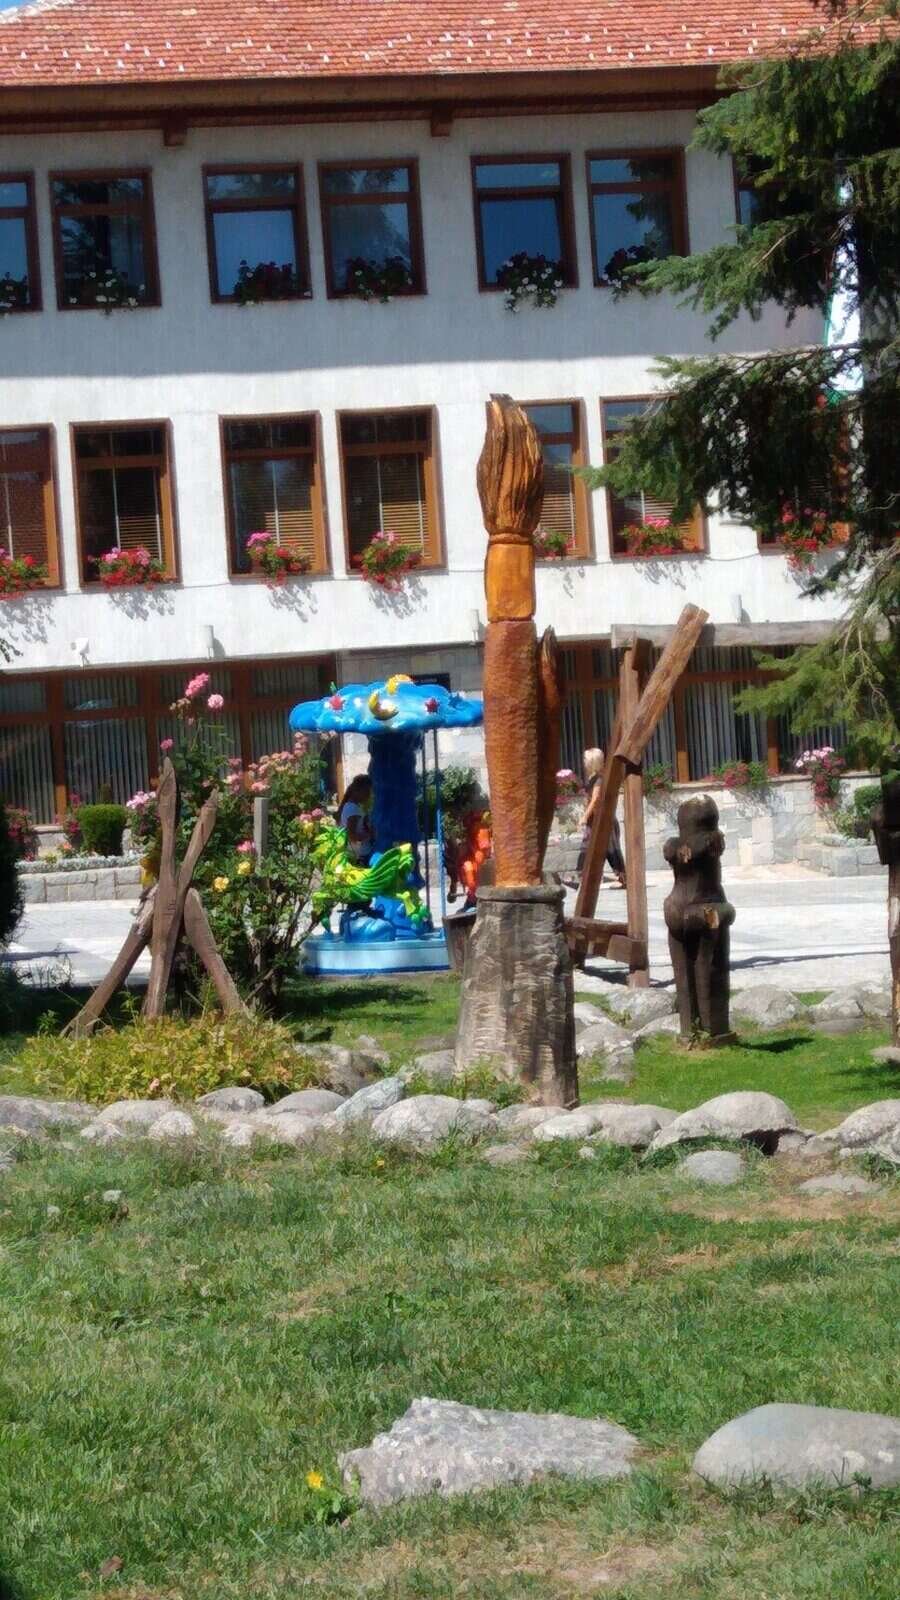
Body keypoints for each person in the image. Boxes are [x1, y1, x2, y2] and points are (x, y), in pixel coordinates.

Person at [575, 747, 626, 889]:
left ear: (592, 762)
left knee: (612, 851)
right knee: (586, 848)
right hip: (595, 821)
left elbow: (595, 799)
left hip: (604, 821)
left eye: (585, 759)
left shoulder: (599, 779)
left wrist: (584, 817)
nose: (583, 762)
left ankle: (625, 879)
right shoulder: (592, 779)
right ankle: (579, 878)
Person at [337, 774, 374, 865]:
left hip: (358, 853)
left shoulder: (350, 805)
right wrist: (371, 834)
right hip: (361, 854)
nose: (368, 795)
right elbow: (352, 836)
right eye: (367, 792)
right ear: (358, 791)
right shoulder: (353, 809)